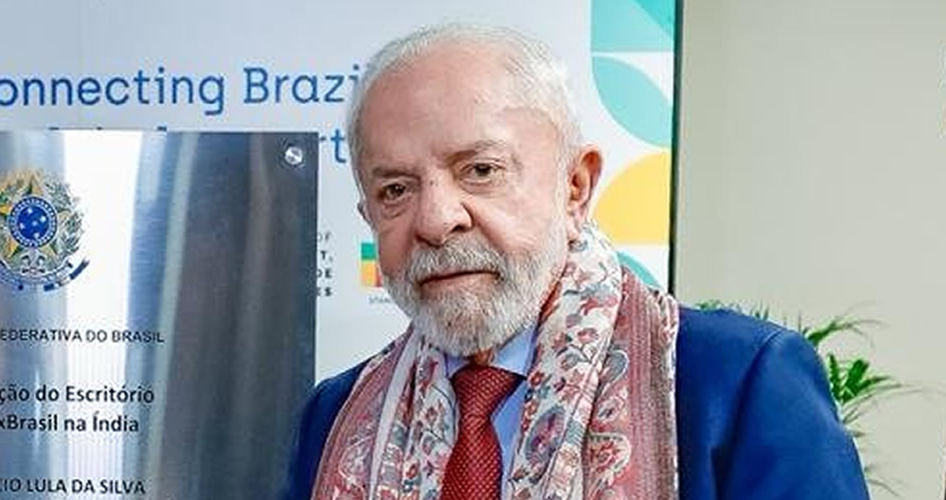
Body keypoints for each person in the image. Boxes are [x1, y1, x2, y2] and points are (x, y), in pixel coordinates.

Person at [283, 24, 868, 500]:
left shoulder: (737, 384)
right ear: (368, 216)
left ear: (575, 187)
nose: (436, 220)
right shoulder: (335, 414)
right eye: (395, 190)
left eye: (480, 170)